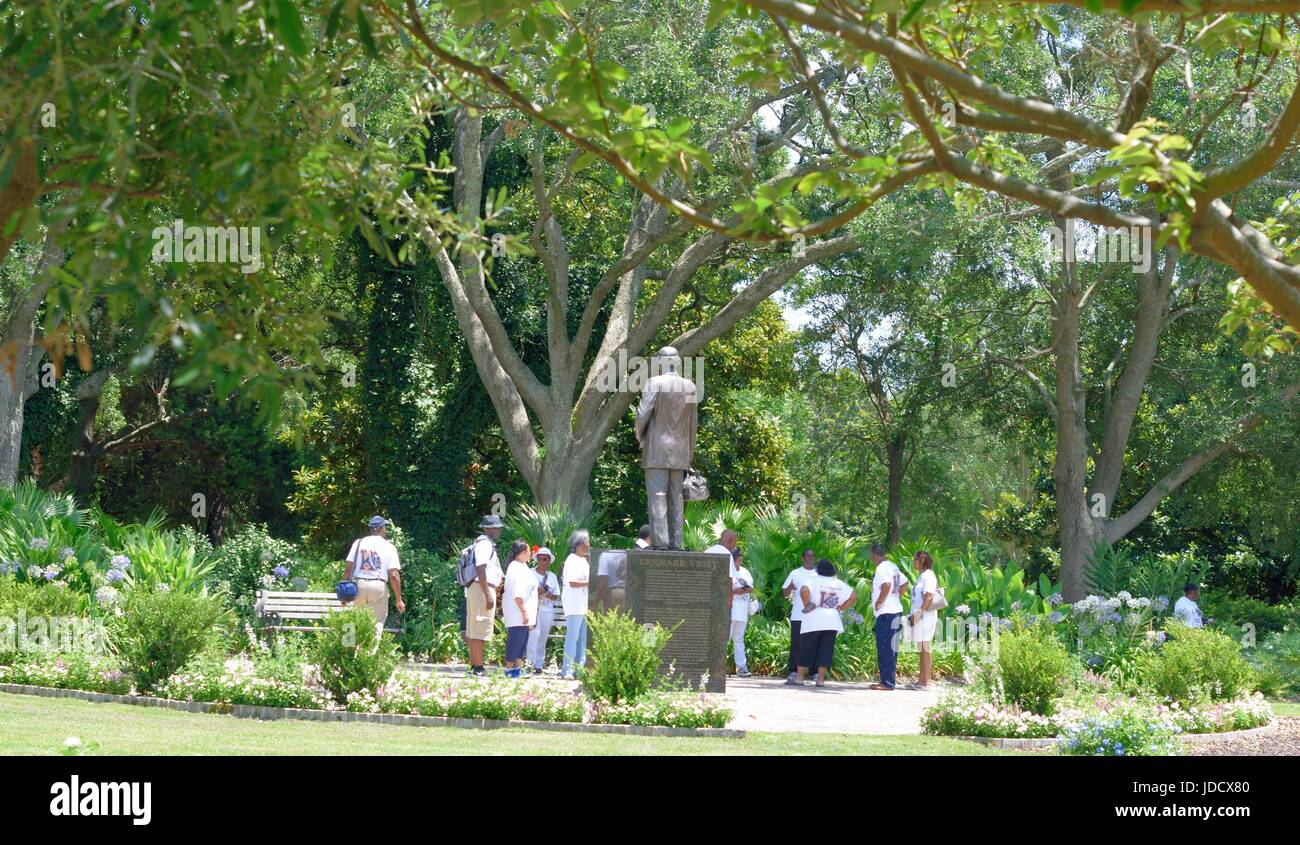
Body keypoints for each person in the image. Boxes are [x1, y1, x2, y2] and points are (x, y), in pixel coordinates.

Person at [635, 347, 699, 549]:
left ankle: (661, 543)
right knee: (676, 498)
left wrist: (640, 435)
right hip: (680, 452)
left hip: (657, 450)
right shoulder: (690, 387)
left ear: (661, 362)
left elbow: (643, 414)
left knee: (657, 496)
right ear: (677, 362)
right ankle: (676, 542)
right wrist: (689, 452)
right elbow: (693, 424)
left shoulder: (654, 383)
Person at [794, 559, 856, 687]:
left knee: (806, 647)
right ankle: (820, 680)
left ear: (818, 569)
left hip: (814, 617)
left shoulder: (813, 581)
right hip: (832, 619)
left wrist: (807, 604)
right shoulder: (838, 583)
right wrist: (842, 607)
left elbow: (804, 589)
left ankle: (800, 677)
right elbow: (853, 595)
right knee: (826, 649)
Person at [342, 516, 405, 630]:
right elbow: (394, 575)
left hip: (359, 585)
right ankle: (371, 648)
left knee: (353, 621)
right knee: (376, 623)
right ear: (382, 529)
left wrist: (343, 592)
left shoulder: (359, 543)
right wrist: (398, 599)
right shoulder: (389, 547)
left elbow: (348, 569)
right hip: (378, 587)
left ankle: (351, 646)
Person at [465, 515, 505, 677]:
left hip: (479, 588)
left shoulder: (484, 544)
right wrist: (488, 594)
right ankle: (478, 667)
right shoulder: (484, 545)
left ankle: (475, 665)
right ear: (488, 529)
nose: (499, 530)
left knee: (476, 627)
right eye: (496, 527)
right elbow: (481, 569)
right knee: (479, 627)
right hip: (482, 588)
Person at [869, 543, 907, 691]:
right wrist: (896, 597)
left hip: (886, 613)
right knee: (892, 647)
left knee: (885, 647)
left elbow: (886, 585)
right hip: (895, 610)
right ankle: (888, 680)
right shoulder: (893, 566)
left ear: (873, 555)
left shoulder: (881, 568)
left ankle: (886, 683)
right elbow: (905, 583)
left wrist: (879, 602)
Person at [501, 540, 538, 678]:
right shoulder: (516, 567)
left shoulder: (522, 566)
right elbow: (518, 594)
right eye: (528, 550)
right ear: (522, 552)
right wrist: (523, 611)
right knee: (516, 640)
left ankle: (517, 668)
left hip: (523, 610)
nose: (530, 553)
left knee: (522, 640)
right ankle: (509, 669)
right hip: (518, 610)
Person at [781, 549, 818, 684]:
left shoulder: (818, 574)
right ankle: (793, 671)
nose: (810, 558)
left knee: (814, 644)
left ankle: (814, 672)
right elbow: (784, 594)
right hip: (798, 614)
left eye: (812, 555)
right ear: (802, 558)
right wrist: (789, 587)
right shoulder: (795, 573)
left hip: (814, 616)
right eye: (807, 555)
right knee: (796, 644)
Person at [905, 550, 939, 690]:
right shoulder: (922, 576)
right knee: (921, 648)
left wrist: (919, 612)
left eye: (915, 559)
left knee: (925, 647)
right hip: (920, 616)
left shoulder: (929, 576)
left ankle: (926, 682)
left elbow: (929, 596)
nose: (913, 561)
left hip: (925, 616)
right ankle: (921, 680)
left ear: (922, 561)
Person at [561, 530, 592, 680]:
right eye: (588, 541)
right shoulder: (571, 560)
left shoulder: (583, 560)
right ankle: (567, 670)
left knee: (582, 640)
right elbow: (572, 583)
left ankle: (579, 670)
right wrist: (590, 583)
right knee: (572, 638)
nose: (590, 544)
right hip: (574, 605)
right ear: (581, 544)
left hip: (583, 605)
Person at [526, 547, 560, 674]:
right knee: (534, 634)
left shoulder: (552, 576)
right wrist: (537, 591)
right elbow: (525, 591)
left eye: (544, 559)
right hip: (533, 608)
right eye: (539, 559)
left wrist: (550, 595)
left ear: (549, 561)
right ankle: (529, 662)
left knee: (543, 636)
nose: (542, 561)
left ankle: (539, 664)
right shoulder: (530, 573)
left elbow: (556, 594)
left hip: (547, 608)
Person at [728, 547, 754, 678]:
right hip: (731, 610)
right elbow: (724, 590)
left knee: (739, 639)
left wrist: (748, 589)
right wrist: (735, 591)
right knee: (726, 638)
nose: (740, 562)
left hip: (742, 611)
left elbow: (752, 587)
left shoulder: (745, 572)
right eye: (738, 559)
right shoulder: (729, 571)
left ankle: (742, 667)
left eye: (741, 559)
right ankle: (718, 667)